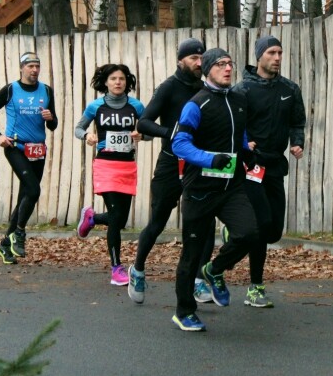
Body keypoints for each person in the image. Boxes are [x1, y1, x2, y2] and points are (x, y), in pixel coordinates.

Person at [113, 38, 213, 304]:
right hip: (171, 162)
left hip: (197, 164)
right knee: (158, 221)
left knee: (205, 221)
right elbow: (143, 123)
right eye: (193, 58)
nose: (199, 63)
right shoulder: (169, 88)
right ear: (180, 60)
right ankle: (138, 269)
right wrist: (171, 133)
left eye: (202, 58)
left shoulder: (206, 88)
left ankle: (199, 280)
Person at [170, 48, 259, 331]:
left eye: (230, 63)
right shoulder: (196, 104)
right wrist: (210, 158)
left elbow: (239, 132)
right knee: (192, 253)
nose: (228, 68)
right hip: (200, 190)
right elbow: (179, 144)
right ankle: (184, 311)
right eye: (220, 64)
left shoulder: (239, 99)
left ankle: (216, 269)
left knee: (249, 234)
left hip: (232, 187)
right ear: (208, 69)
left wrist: (245, 151)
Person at [233, 35, 306, 308]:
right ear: (259, 56)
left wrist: (297, 143)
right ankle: (256, 287)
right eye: (272, 53)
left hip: (275, 165)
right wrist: (244, 142)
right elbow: (233, 124)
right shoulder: (243, 90)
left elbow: (297, 121)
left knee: (274, 230)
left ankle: (236, 232)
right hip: (251, 166)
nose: (277, 58)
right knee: (261, 226)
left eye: (280, 52)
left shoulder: (290, 89)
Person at [0, 52, 59, 265]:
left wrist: (50, 118)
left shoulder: (46, 91)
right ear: (21, 68)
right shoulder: (10, 90)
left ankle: (4, 245)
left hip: (38, 150)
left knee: (24, 197)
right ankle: (19, 233)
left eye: (37, 66)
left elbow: (53, 125)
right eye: (30, 66)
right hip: (15, 147)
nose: (34, 70)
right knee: (34, 190)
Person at [74, 64, 144, 286]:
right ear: (105, 82)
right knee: (115, 217)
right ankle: (116, 269)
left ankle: (93, 218)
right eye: (113, 78)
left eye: (121, 78)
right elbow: (78, 128)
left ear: (127, 82)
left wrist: (141, 134)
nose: (117, 82)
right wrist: (87, 136)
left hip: (127, 165)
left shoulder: (136, 106)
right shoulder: (96, 106)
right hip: (105, 163)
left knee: (120, 219)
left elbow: (149, 130)